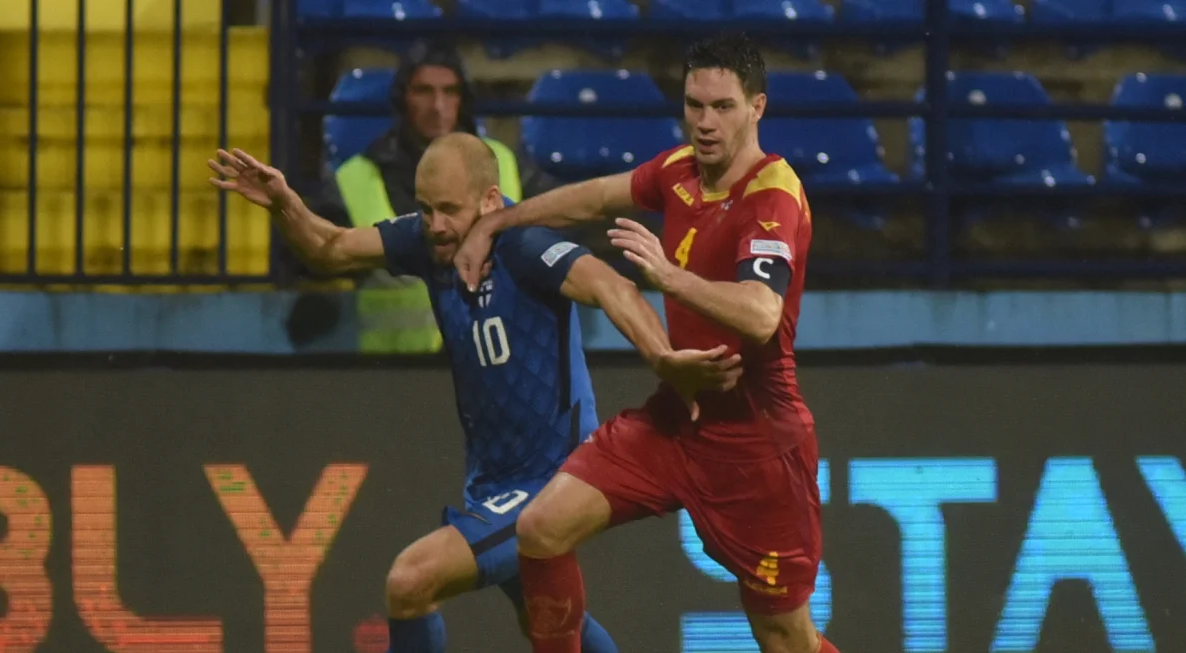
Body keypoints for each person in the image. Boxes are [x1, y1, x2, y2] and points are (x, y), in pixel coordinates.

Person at [208, 133, 741, 653]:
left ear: (490, 200)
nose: (436, 226)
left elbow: (611, 287)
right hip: (492, 479)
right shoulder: (428, 240)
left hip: (555, 477)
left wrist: (663, 359)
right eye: (424, 209)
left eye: (448, 210)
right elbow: (331, 247)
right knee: (545, 615)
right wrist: (284, 204)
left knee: (410, 581)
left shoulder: (525, 244)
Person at [454, 34, 840, 653]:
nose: (705, 123)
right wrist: (501, 219)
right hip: (675, 421)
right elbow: (594, 196)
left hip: (758, 452)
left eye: (723, 108)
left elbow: (762, 315)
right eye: (694, 105)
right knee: (541, 529)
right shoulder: (678, 171)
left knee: (785, 638)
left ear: (757, 107)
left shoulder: (772, 197)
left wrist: (669, 278)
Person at [324, 40, 559, 354]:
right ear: (402, 98)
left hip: (494, 362)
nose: (438, 106)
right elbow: (315, 259)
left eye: (450, 92)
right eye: (423, 91)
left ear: (463, 99)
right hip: (392, 368)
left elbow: (560, 227)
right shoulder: (354, 176)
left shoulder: (505, 163)